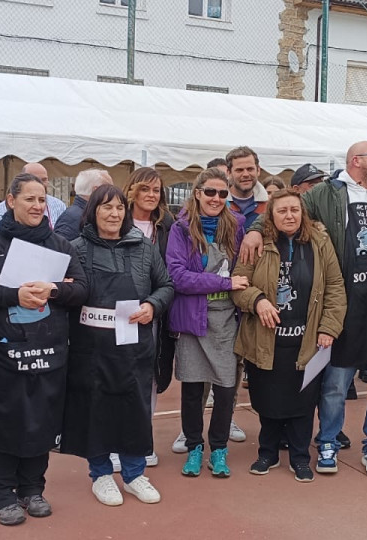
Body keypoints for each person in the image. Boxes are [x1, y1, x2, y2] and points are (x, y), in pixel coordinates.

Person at [240, 141, 367, 477]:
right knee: (336, 383)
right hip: (350, 308)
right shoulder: (327, 193)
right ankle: (327, 440)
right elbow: (285, 210)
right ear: (357, 161)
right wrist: (254, 231)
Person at [0, 173, 87, 526]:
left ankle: (32, 488)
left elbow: (81, 290)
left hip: (49, 349)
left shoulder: (61, 244)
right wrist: (12, 295)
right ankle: (1, 494)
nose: (37, 205)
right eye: (29, 199)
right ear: (10, 200)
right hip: (2, 352)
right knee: (5, 419)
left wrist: (54, 290)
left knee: (42, 419)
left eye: (41, 200)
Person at [64, 184, 173, 505]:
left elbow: (166, 285)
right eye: (106, 207)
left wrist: (152, 305)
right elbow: (67, 294)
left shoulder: (143, 247)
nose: (113, 214)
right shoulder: (76, 249)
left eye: (119, 208)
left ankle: (134, 474)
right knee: (95, 410)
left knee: (134, 411)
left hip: (133, 347)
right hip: (91, 349)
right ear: (93, 211)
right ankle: (100, 475)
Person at [232, 188, 346, 481]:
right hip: (265, 337)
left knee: (303, 401)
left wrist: (328, 328)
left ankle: (299, 457)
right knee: (267, 398)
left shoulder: (320, 242)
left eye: (294, 209)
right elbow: (238, 285)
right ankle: (267, 453)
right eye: (282, 210)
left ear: (303, 212)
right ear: (271, 214)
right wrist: (258, 300)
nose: (290, 215)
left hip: (307, 338)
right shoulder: (258, 243)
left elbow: (335, 287)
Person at [167, 167, 247, 478]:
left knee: (226, 388)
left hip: (226, 319)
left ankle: (219, 449)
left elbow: (245, 271)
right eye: (210, 192)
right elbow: (178, 277)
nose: (216, 198)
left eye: (222, 193)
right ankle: (194, 447)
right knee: (192, 386)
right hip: (192, 318)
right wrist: (223, 283)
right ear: (197, 193)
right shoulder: (181, 228)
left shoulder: (238, 226)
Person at [125, 167, 177, 467]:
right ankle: (117, 441)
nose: (151, 195)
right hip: (119, 313)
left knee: (151, 377)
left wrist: (155, 303)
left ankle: (143, 439)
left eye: (156, 190)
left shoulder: (167, 225)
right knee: (120, 376)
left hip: (155, 313)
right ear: (132, 190)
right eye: (145, 189)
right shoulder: (115, 218)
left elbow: (168, 274)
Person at [0, 163, 68, 232]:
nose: (40, 184)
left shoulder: (59, 205)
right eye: (29, 199)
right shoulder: (2, 207)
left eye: (44, 180)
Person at [55, 168, 113, 241]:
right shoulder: (73, 217)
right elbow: (60, 248)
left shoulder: (85, 214)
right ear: (96, 190)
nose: (113, 193)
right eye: (109, 189)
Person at [225, 146, 269, 227]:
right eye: (239, 170)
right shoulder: (218, 203)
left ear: (258, 170)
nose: (245, 174)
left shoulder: (269, 206)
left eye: (250, 169)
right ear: (229, 172)